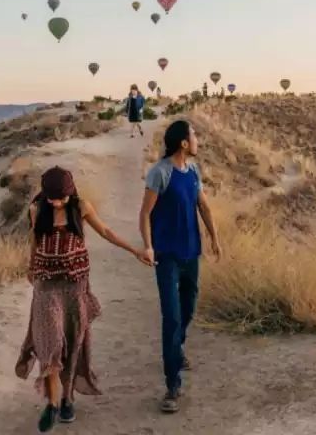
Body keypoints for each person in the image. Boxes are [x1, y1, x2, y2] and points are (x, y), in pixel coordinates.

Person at [17, 167, 151, 432]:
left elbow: (106, 231)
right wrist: (32, 267)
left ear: (70, 193)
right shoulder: (37, 210)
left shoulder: (80, 207)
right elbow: (35, 240)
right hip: (46, 287)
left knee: (73, 343)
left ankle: (67, 399)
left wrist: (135, 250)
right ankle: (52, 404)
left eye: (62, 198)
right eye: (52, 198)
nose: (57, 202)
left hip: (75, 286)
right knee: (50, 343)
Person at [139, 120, 221, 414]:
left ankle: (177, 348)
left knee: (189, 308)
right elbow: (145, 214)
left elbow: (204, 206)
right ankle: (172, 385)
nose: (197, 139)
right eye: (194, 136)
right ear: (184, 143)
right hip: (167, 257)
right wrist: (148, 246)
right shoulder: (160, 173)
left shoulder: (194, 171)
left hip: (191, 254)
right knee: (171, 318)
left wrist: (214, 238)